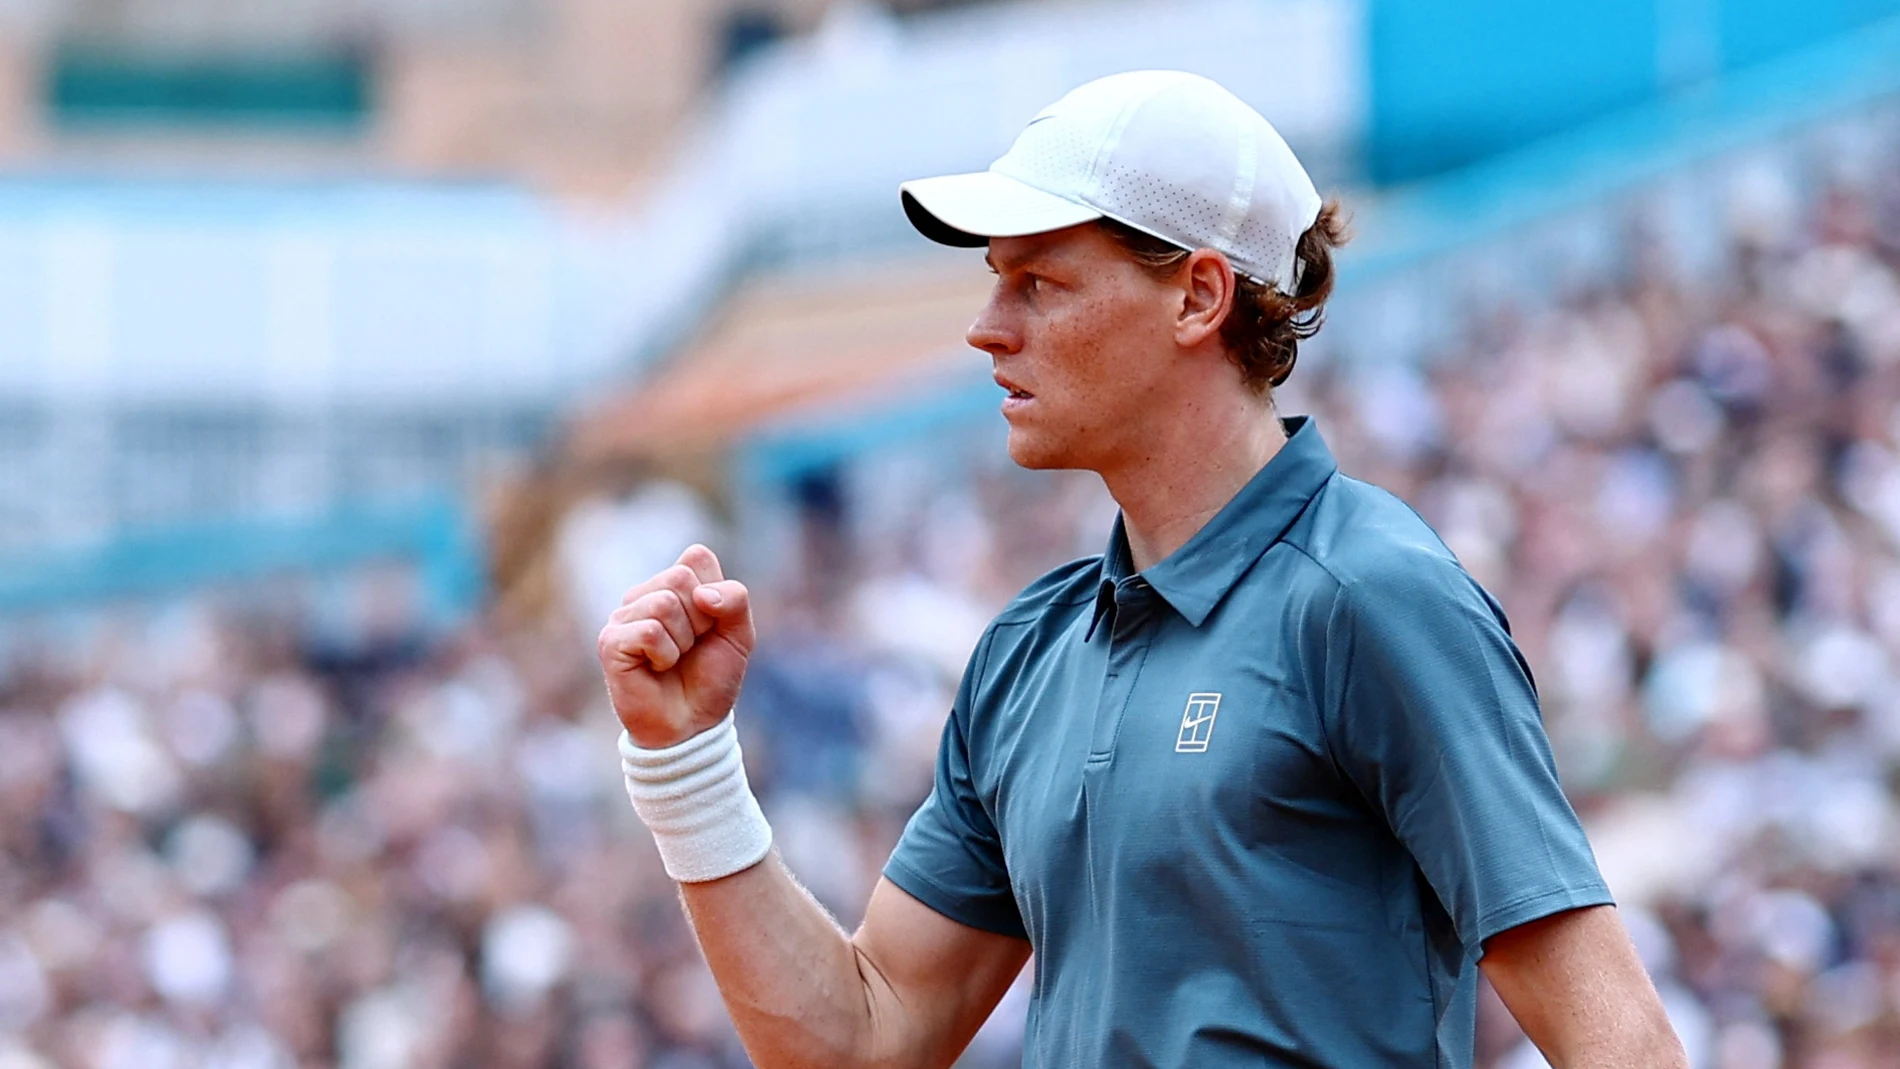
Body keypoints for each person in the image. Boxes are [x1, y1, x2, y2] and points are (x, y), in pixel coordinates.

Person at [597, 71, 1687, 1068]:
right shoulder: (1028, 649)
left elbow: (1618, 1040)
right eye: (995, 281)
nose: (986, 328)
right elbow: (861, 1039)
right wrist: (685, 760)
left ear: (1199, 296)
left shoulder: (1370, 595)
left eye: (1041, 283)